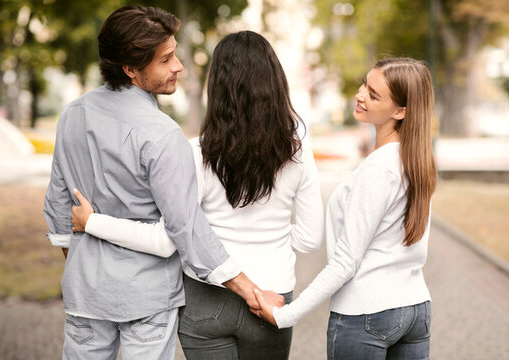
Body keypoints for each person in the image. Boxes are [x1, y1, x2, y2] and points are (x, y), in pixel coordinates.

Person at [69, 31, 324, 359]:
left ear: (217, 87)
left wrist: (93, 222)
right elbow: (310, 238)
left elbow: (166, 240)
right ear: (276, 82)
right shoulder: (297, 151)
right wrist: (269, 240)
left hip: (206, 299)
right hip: (272, 298)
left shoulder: (196, 153)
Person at [43, 6, 276, 359]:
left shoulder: (73, 114)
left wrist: (86, 269)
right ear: (131, 70)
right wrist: (249, 290)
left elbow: (60, 205)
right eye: (166, 60)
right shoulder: (163, 134)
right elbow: (185, 228)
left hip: (85, 294)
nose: (178, 66)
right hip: (147, 300)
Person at [257, 57, 438, 360]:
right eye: (366, 84)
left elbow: (345, 262)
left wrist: (284, 316)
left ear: (400, 111)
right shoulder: (417, 162)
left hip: (367, 314)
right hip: (416, 309)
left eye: (373, 94)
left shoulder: (380, 169)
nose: (360, 94)